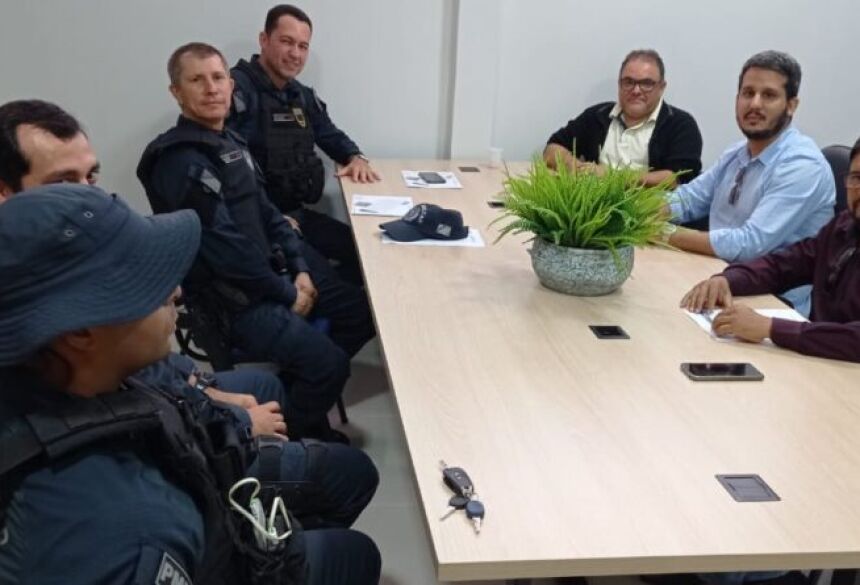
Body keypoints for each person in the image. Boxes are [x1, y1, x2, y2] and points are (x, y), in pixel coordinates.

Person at [0, 98, 379, 530]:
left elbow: (145, 370)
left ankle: (287, 486)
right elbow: (124, 401)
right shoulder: (38, 299)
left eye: (91, 177)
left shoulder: (225, 146)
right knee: (338, 429)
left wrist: (299, 270)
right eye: (64, 182)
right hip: (219, 335)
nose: (89, 194)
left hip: (172, 389)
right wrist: (235, 420)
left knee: (272, 383)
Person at [137, 43, 376, 441]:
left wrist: (300, 269)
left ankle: (295, 393)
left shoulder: (230, 142)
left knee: (360, 313)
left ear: (230, 85)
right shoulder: (178, 160)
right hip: (234, 303)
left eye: (218, 78)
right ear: (176, 91)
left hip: (269, 278)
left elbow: (268, 213)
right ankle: (289, 435)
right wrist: (287, 293)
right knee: (330, 365)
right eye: (197, 80)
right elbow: (226, 249)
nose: (211, 88)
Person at [667, 50, 835, 316]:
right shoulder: (737, 153)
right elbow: (688, 199)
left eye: (768, 95)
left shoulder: (803, 165)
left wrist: (664, 234)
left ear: (791, 105)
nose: (754, 104)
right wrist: (635, 213)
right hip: (716, 275)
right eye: (748, 93)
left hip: (772, 302)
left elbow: (749, 245)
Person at [228, 4, 378, 285]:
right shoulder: (235, 91)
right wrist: (270, 218)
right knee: (344, 294)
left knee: (368, 254)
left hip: (297, 214)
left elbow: (329, 134)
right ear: (264, 40)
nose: (295, 54)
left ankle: (322, 301)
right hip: (262, 224)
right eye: (286, 42)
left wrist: (355, 156)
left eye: (303, 46)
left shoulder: (300, 95)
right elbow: (229, 172)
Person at [680, 136, 860, 363]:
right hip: (821, 360)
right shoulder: (844, 227)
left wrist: (771, 328)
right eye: (856, 178)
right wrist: (728, 280)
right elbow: (785, 265)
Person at [544, 49, 703, 187]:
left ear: (661, 87)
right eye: (628, 82)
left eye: (646, 83)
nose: (636, 90)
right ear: (620, 84)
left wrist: (612, 177)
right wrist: (576, 167)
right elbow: (552, 147)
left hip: (650, 207)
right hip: (591, 203)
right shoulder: (598, 115)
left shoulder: (681, 124)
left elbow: (677, 178)